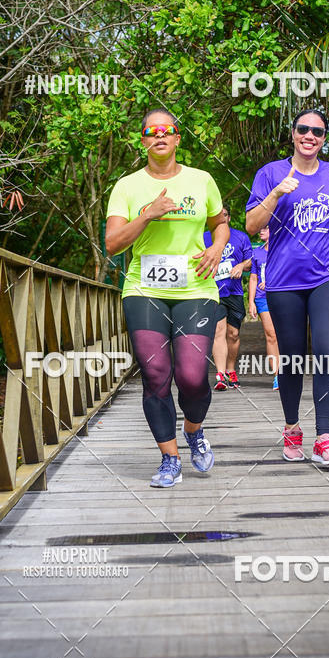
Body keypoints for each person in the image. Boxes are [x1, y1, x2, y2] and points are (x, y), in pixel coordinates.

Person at [105, 108, 229, 487]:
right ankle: (169, 458)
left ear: (177, 139)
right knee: (156, 375)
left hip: (196, 288)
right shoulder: (127, 186)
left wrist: (217, 249)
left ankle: (194, 431)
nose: (159, 135)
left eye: (167, 130)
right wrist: (148, 214)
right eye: (151, 131)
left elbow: (220, 221)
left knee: (192, 377)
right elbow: (112, 245)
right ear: (143, 140)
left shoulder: (201, 179)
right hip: (145, 289)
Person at [246, 109, 329, 466]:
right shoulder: (270, 173)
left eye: (318, 131)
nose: (310, 136)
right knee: (291, 357)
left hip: (328, 275)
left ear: (324, 138)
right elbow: (251, 225)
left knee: (325, 349)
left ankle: (325, 437)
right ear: (293, 134)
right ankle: (292, 428)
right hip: (283, 280)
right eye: (303, 129)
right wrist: (276, 194)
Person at [204, 207, 252, 389]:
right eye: (217, 216)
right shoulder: (203, 237)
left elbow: (251, 261)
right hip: (213, 291)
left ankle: (231, 370)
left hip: (234, 292)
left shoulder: (240, 237)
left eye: (224, 215)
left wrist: (241, 265)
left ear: (229, 218)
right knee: (218, 331)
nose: (221, 218)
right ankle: (220, 375)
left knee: (233, 334)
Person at [248, 226, 280, 389]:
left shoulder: (282, 249)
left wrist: (272, 281)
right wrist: (251, 301)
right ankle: (277, 375)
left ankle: (288, 372)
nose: (261, 231)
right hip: (262, 298)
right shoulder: (257, 252)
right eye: (259, 229)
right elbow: (253, 278)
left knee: (285, 335)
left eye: (266, 228)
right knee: (271, 334)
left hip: (282, 296)